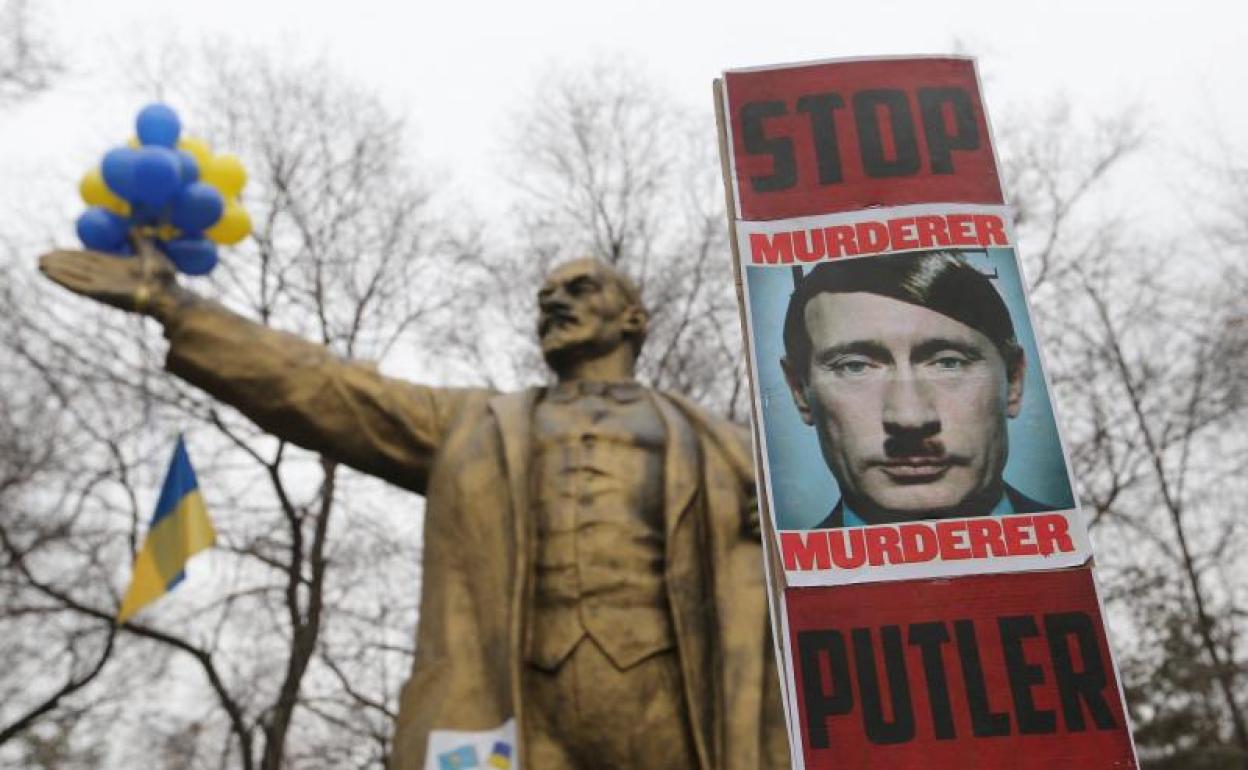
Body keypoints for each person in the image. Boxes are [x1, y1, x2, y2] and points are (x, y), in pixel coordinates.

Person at [39, 243, 788, 770]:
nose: (554, 300)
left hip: (679, 706)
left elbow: (863, 546)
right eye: (544, 295)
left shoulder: (732, 450)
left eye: (580, 288)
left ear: (635, 319)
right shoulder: (475, 426)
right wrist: (176, 305)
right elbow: (325, 387)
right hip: (512, 706)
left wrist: (790, 527)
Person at [779, 250, 1056, 529]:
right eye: (854, 367)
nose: (909, 417)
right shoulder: (763, 570)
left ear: (1014, 381)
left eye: (949, 363)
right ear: (800, 391)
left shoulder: (1072, 558)